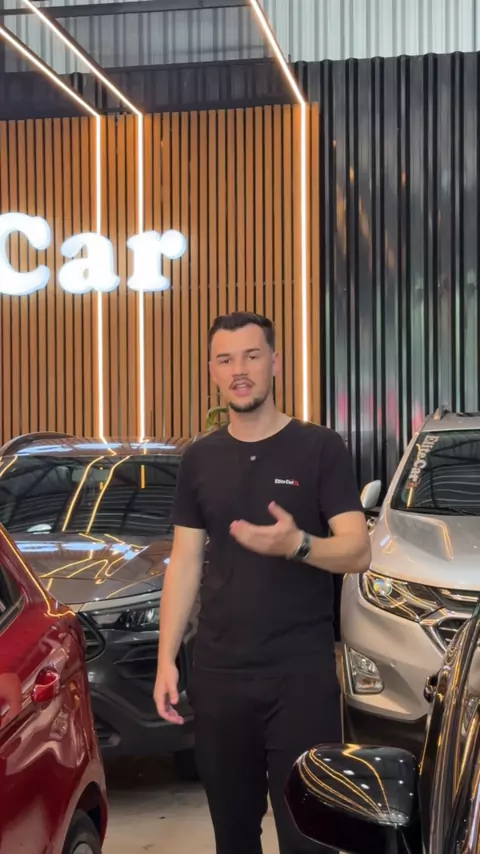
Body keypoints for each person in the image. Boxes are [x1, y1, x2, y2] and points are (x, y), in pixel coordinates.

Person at [154, 311, 371, 854]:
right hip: (219, 677)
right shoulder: (199, 458)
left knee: (310, 836)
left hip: (300, 678)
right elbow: (185, 562)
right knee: (233, 837)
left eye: (252, 356)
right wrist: (165, 659)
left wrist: (298, 545)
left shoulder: (319, 448)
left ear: (275, 362)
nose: (239, 370)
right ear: (212, 371)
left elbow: (357, 550)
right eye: (225, 360)